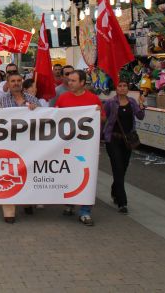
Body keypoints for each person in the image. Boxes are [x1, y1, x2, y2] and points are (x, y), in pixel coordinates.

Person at [55, 70, 105, 226]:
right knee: (69, 174)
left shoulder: (93, 99)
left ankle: (85, 211)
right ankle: (69, 204)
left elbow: (103, 118)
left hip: (86, 147)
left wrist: (97, 113)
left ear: (82, 82)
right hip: (67, 145)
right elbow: (54, 116)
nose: (70, 83)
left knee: (86, 175)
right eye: (69, 80)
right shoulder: (63, 98)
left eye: (73, 81)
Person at [0, 72, 38, 223]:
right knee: (8, 176)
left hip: (28, 146)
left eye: (19, 80)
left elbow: (45, 119)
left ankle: (27, 202)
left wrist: (36, 110)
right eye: (13, 81)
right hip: (8, 146)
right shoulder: (1, 102)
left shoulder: (32, 100)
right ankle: (9, 211)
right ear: (8, 83)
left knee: (27, 173)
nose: (16, 83)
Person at [102, 80, 145, 214]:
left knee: (123, 168)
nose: (122, 88)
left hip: (127, 140)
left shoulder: (132, 102)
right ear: (116, 88)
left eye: (124, 85)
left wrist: (142, 104)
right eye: (120, 86)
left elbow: (140, 116)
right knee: (118, 167)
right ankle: (123, 202)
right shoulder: (110, 103)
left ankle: (115, 191)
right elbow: (105, 118)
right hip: (113, 139)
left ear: (128, 88)